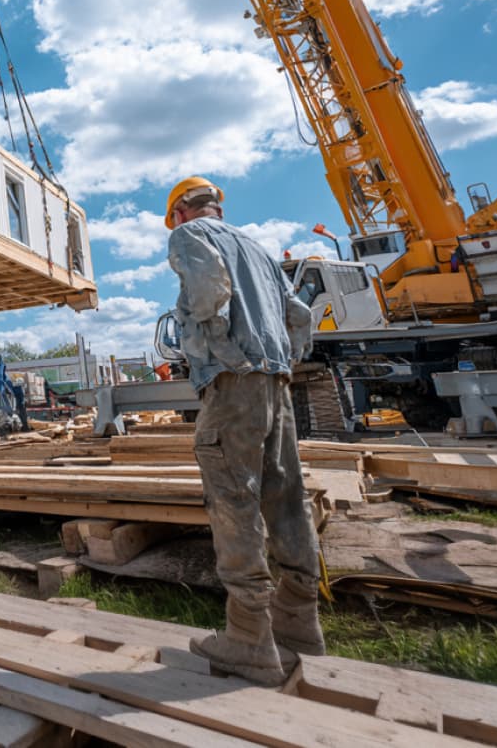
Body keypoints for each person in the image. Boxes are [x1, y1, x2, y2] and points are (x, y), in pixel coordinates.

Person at [165, 176, 324, 686]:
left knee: (235, 501)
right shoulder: (256, 248)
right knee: (286, 498)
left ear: (182, 214)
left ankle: (250, 638)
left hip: (235, 384)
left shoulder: (191, 238)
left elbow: (210, 291)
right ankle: (299, 625)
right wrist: (279, 363)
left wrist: (228, 357)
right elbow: (299, 317)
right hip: (276, 383)